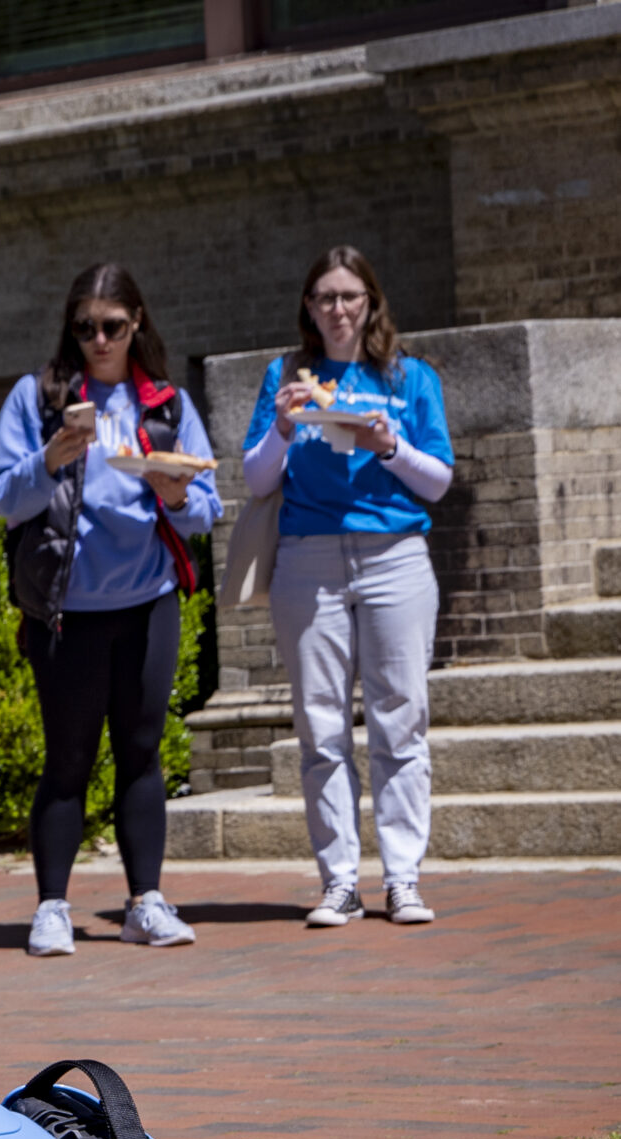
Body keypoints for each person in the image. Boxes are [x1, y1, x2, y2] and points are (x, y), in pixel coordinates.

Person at [0, 264, 220, 957]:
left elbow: (206, 511)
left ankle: (145, 901)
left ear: (137, 324)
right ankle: (52, 906)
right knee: (68, 760)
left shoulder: (167, 404)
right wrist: (50, 460)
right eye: (85, 326)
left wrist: (174, 495)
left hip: (148, 602)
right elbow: (2, 496)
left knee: (142, 754)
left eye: (112, 326)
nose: (98, 339)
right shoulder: (39, 398)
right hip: (67, 608)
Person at [244, 247, 453, 928]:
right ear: (308, 307)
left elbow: (439, 480)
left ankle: (402, 878)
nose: (338, 309)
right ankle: (338, 881)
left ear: (371, 303)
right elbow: (255, 479)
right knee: (320, 725)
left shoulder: (409, 377)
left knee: (400, 718)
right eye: (325, 297)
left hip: (395, 553)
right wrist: (280, 426)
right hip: (309, 559)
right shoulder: (287, 375)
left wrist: (390, 446)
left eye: (350, 297)